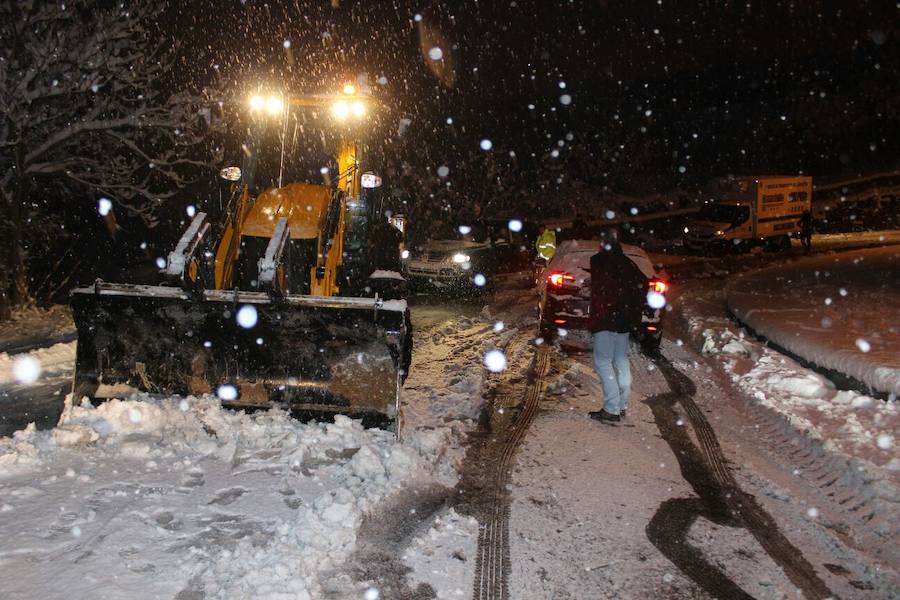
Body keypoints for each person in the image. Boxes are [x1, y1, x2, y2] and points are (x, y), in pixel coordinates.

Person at [586, 228, 647, 425]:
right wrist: (629, 307)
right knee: (621, 361)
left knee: (603, 362)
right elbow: (643, 283)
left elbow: (603, 291)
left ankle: (611, 409)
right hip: (624, 321)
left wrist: (606, 309)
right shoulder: (628, 264)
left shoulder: (599, 262)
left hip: (606, 319)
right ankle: (621, 405)